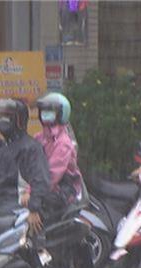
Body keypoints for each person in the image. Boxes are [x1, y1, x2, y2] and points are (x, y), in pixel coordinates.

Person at [0, 98, 54, 229]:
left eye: (6, 118)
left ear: (19, 120)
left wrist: (34, 208)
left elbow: (41, 180)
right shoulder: (0, 147)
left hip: (13, 208)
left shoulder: (30, 148)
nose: (1, 122)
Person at [34, 92, 85, 232]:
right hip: (42, 186)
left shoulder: (63, 144)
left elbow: (51, 176)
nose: (45, 114)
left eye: (49, 112)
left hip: (62, 190)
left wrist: (32, 194)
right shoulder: (40, 137)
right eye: (43, 111)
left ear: (61, 114)